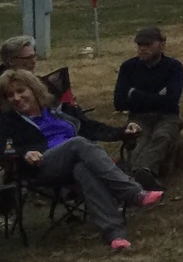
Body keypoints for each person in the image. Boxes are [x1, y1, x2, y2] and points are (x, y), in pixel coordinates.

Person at [0, 68, 159, 251]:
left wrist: (123, 131)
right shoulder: (8, 121)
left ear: (34, 89)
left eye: (21, 91)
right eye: (10, 95)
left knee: (82, 169)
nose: (16, 98)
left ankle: (115, 234)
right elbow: (5, 149)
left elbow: (91, 127)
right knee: (78, 143)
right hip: (42, 165)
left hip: (76, 159)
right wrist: (24, 153)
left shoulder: (60, 110)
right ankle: (131, 192)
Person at [113, 25, 183, 187]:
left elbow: (172, 101)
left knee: (163, 136)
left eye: (147, 45)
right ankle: (141, 174)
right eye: (139, 45)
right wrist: (158, 96)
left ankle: (142, 171)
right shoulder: (128, 67)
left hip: (168, 117)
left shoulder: (173, 67)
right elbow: (119, 102)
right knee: (140, 139)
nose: (142, 49)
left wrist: (134, 94)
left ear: (162, 45)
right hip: (139, 117)